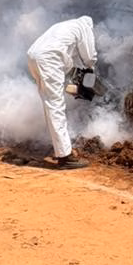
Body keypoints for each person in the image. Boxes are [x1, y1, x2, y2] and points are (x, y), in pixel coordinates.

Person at [26, 16, 97, 168]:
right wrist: (91, 73)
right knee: (55, 105)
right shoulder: (84, 27)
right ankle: (65, 156)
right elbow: (90, 57)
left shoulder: (64, 26)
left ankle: (60, 148)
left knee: (50, 103)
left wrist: (78, 75)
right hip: (49, 60)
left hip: (33, 57)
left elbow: (72, 57)